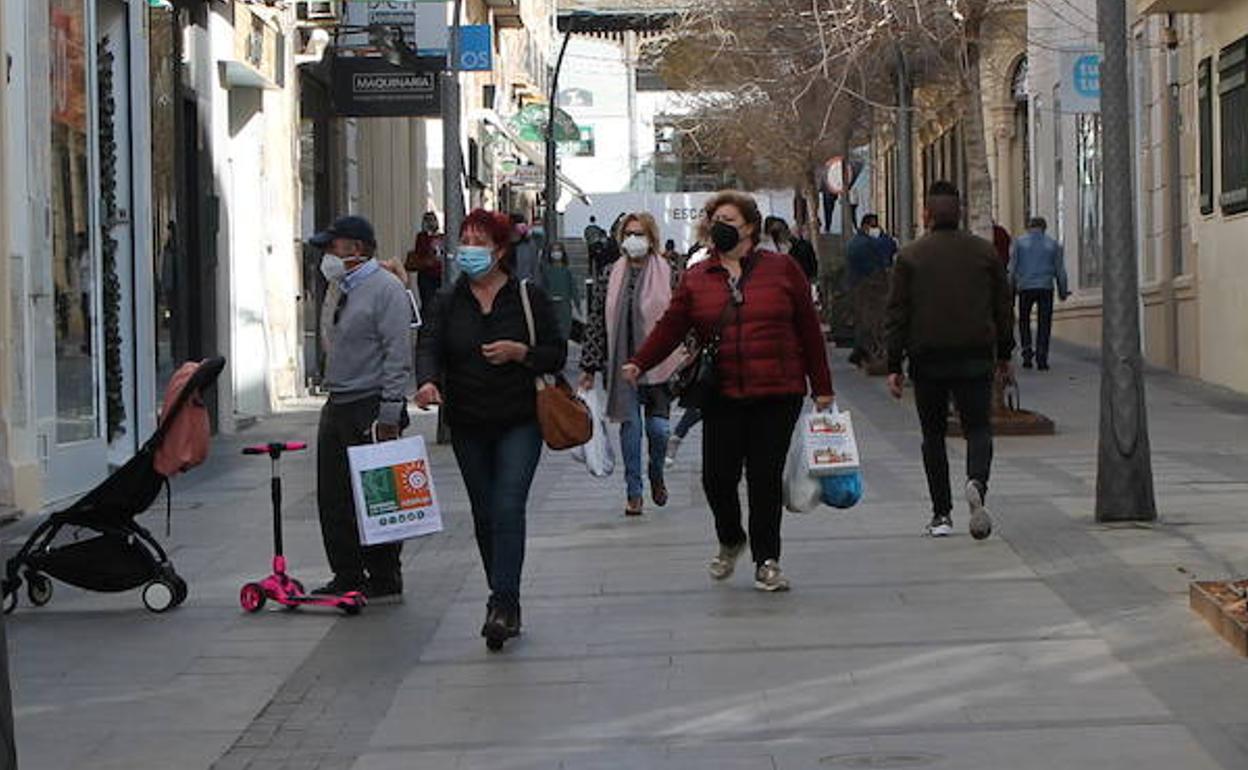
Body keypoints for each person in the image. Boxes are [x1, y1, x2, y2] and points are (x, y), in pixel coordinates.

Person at [624, 191, 834, 592]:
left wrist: (822, 387)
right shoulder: (698, 277)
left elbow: (808, 329)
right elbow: (671, 326)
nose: (719, 225)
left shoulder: (782, 269)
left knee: (764, 478)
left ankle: (767, 560)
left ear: (750, 227)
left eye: (729, 220)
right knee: (716, 478)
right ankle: (731, 537)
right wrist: (640, 362)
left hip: (778, 390)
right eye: (714, 218)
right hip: (721, 392)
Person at [415, 209, 566, 651]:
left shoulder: (527, 296)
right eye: (465, 240)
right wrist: (427, 382)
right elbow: (430, 345)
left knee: (506, 505)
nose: (468, 250)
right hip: (468, 421)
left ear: (500, 250)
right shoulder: (447, 300)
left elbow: (556, 352)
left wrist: (522, 352)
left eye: (479, 242)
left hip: (520, 418)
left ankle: (502, 603)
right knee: (484, 514)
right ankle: (503, 594)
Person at [884, 181, 1014, 540]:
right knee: (978, 428)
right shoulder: (984, 253)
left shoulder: (910, 256)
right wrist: (1005, 353)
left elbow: (897, 312)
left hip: (927, 359)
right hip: (975, 355)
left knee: (933, 435)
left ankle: (941, 515)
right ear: (960, 214)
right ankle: (976, 481)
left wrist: (894, 364)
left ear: (926, 215)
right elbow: (1003, 306)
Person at [308, 215, 412, 602]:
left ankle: (385, 573)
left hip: (369, 403)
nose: (327, 255)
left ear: (356, 249)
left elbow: (397, 352)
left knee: (378, 494)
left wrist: (389, 410)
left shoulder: (385, 289)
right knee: (333, 495)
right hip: (338, 400)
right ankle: (346, 571)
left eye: (333, 247)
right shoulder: (339, 287)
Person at [580, 213, 682, 516]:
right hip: (621, 366)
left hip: (661, 366)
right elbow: (596, 321)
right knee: (631, 430)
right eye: (628, 233)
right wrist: (589, 367)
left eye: (639, 233)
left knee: (659, 430)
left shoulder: (670, 272)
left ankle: (656, 474)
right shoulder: (610, 273)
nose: (633, 239)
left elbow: (681, 317)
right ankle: (634, 491)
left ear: (651, 238)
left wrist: (688, 350)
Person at [1009, 216, 1069, 371]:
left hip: (1025, 287)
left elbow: (1012, 269)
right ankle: (1042, 357)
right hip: (1045, 287)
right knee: (1044, 322)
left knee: (1024, 321)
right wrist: (1063, 291)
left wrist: (1010, 290)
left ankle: (1027, 353)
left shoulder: (1019, 243)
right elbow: (1060, 271)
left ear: (1029, 227)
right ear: (1044, 227)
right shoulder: (1053, 244)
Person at [845, 214, 897, 366]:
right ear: (867, 226)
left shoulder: (855, 242)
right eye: (874, 226)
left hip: (857, 285)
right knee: (872, 320)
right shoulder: (866, 244)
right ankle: (864, 351)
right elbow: (885, 252)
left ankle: (859, 351)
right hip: (868, 286)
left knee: (863, 320)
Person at [406, 211, 444, 311]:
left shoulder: (442, 237)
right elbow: (420, 252)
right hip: (426, 274)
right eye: (429, 220)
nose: (432, 223)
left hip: (440, 274)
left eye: (434, 220)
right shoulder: (422, 237)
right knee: (427, 302)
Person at [545, 242, 581, 340]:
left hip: (565, 305)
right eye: (554, 250)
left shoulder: (566, 271)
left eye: (558, 250)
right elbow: (543, 288)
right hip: (551, 304)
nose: (556, 253)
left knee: (565, 331)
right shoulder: (546, 270)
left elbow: (573, 288)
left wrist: (577, 305)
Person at [509, 214, 544, 287]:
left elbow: (535, 267)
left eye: (523, 226)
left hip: (527, 285)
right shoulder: (503, 245)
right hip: (508, 287)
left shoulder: (529, 244)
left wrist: (537, 286)